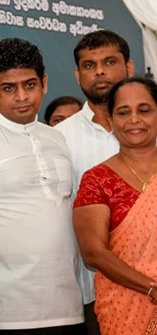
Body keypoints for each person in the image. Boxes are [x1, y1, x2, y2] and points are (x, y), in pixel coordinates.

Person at [0, 38, 84, 334]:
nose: (22, 96)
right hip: (3, 311)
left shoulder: (57, 139)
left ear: (44, 83)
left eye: (30, 84)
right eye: (9, 88)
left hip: (68, 306)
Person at [55, 29, 134, 335]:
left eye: (109, 61)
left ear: (129, 67)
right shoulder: (58, 138)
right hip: (91, 291)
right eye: (89, 65)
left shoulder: (150, 127)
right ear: (77, 75)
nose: (99, 71)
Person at [73, 77, 157, 335]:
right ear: (110, 120)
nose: (134, 119)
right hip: (125, 307)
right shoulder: (97, 180)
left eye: (144, 110)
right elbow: (94, 253)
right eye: (123, 112)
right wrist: (152, 288)